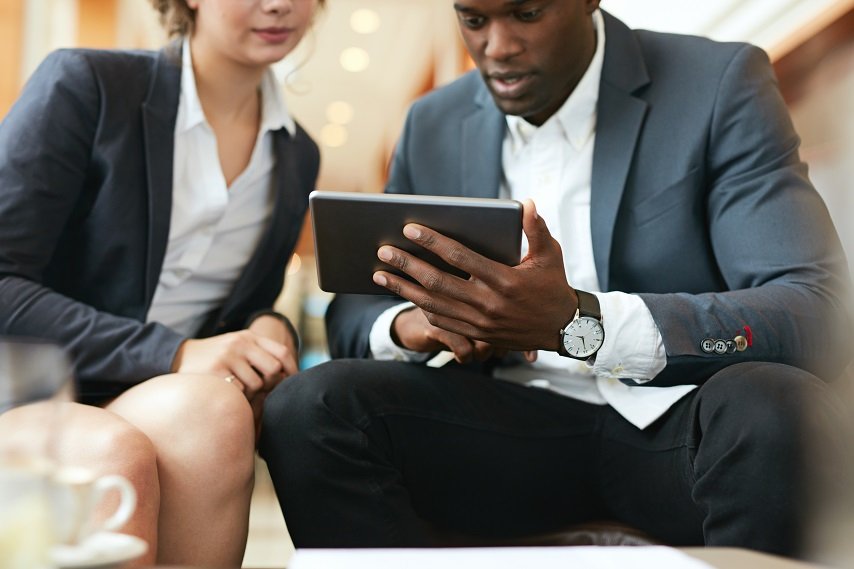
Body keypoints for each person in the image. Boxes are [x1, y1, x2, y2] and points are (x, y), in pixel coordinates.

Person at [259, 0, 852, 557]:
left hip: (678, 428)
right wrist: (420, 323)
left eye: (526, 13)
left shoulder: (717, 84)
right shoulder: (432, 122)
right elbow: (355, 315)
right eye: (473, 19)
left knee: (776, 405)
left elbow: (813, 310)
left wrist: (577, 322)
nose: (498, 46)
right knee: (309, 408)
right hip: (506, 431)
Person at [0, 0, 322, 565]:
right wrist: (174, 352)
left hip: (150, 391)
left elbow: (239, 309)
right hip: (28, 387)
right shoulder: (88, 84)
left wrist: (268, 324)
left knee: (216, 412)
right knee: (113, 451)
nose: (279, 5)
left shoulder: (296, 153)